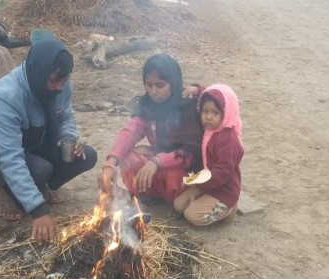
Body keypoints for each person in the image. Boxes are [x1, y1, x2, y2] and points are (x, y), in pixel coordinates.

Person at [0, 38, 97, 242]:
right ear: (38, 72)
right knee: (41, 170)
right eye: (55, 80)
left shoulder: (61, 83)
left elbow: (66, 117)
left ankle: (40, 186)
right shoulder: (6, 96)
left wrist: (69, 137)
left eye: (63, 81)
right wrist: (38, 211)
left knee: (87, 156)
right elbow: (10, 157)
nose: (59, 87)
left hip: (37, 142)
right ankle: (5, 188)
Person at [98, 54, 204, 204]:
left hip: (185, 166)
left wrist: (156, 162)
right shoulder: (147, 104)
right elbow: (131, 131)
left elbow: (192, 152)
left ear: (173, 83)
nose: (153, 91)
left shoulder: (187, 106)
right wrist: (110, 163)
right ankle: (155, 193)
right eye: (149, 85)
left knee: (172, 178)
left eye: (160, 85)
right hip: (159, 157)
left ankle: (175, 193)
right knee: (128, 159)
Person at [173, 84, 243, 226]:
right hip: (209, 185)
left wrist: (199, 185)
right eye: (205, 111)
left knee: (192, 216)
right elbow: (208, 92)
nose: (208, 117)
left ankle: (228, 208)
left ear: (226, 113)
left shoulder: (227, 139)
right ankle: (207, 202)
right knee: (178, 205)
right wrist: (198, 89)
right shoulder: (211, 131)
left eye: (215, 113)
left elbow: (223, 171)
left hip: (224, 190)